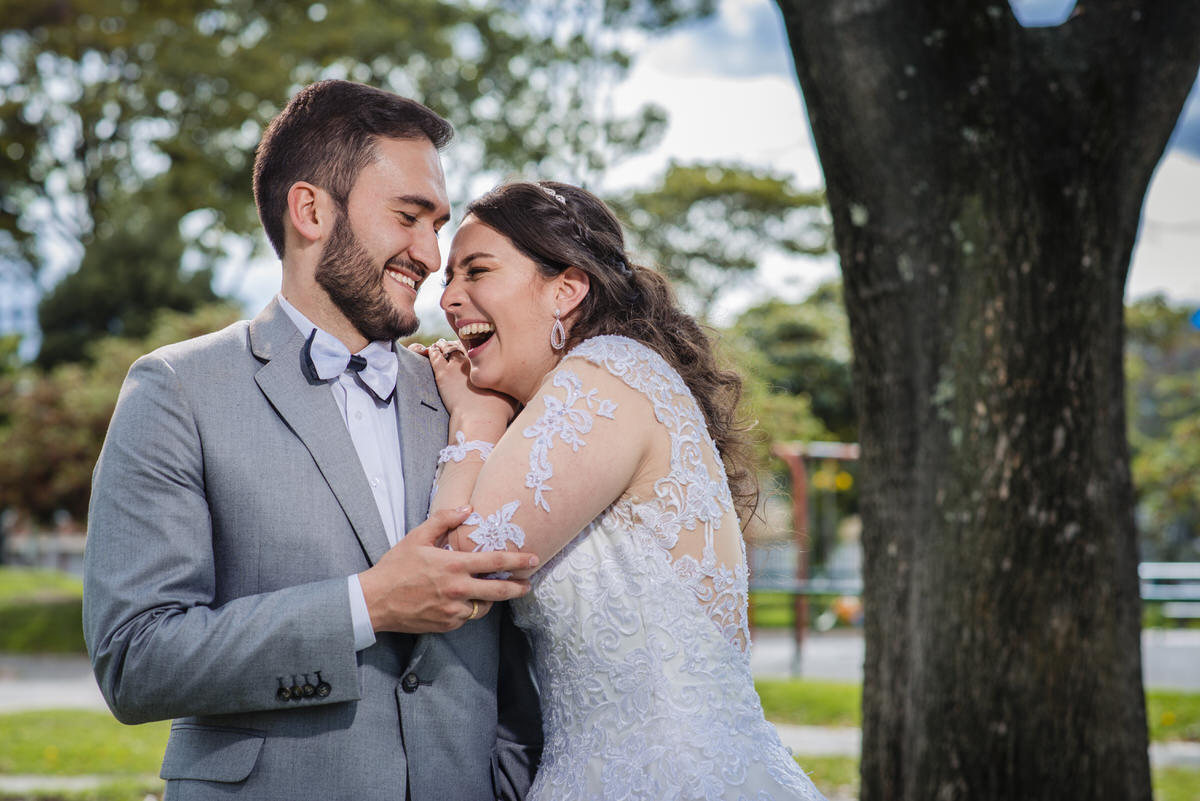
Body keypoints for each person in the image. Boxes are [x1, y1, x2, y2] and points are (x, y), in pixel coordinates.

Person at [82, 80, 543, 801]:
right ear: (311, 209)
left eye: (439, 224)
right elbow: (136, 658)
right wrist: (366, 604)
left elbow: (526, 649)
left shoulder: (472, 399)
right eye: (408, 217)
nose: (431, 254)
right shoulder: (176, 390)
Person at [416, 180, 827, 800]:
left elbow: (460, 560)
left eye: (477, 270)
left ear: (566, 288)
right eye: (448, 279)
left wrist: (474, 421)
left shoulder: (606, 376)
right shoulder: (609, 381)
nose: (449, 297)